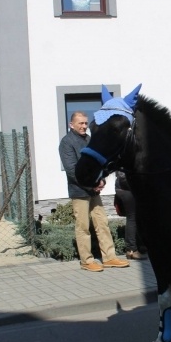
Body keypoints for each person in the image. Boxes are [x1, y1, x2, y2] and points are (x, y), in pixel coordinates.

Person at [59, 111, 129, 271]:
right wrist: (92, 185)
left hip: (94, 190)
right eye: (80, 123)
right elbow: (72, 170)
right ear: (71, 125)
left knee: (102, 223)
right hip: (79, 191)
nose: (84, 126)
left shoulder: (89, 140)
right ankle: (87, 261)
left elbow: (98, 163)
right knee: (83, 226)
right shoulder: (66, 142)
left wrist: (101, 179)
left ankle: (109, 257)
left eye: (85, 123)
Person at [115, 171, 147, 260]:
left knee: (137, 218)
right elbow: (123, 176)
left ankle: (139, 247)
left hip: (128, 188)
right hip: (127, 188)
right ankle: (131, 250)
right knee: (132, 218)